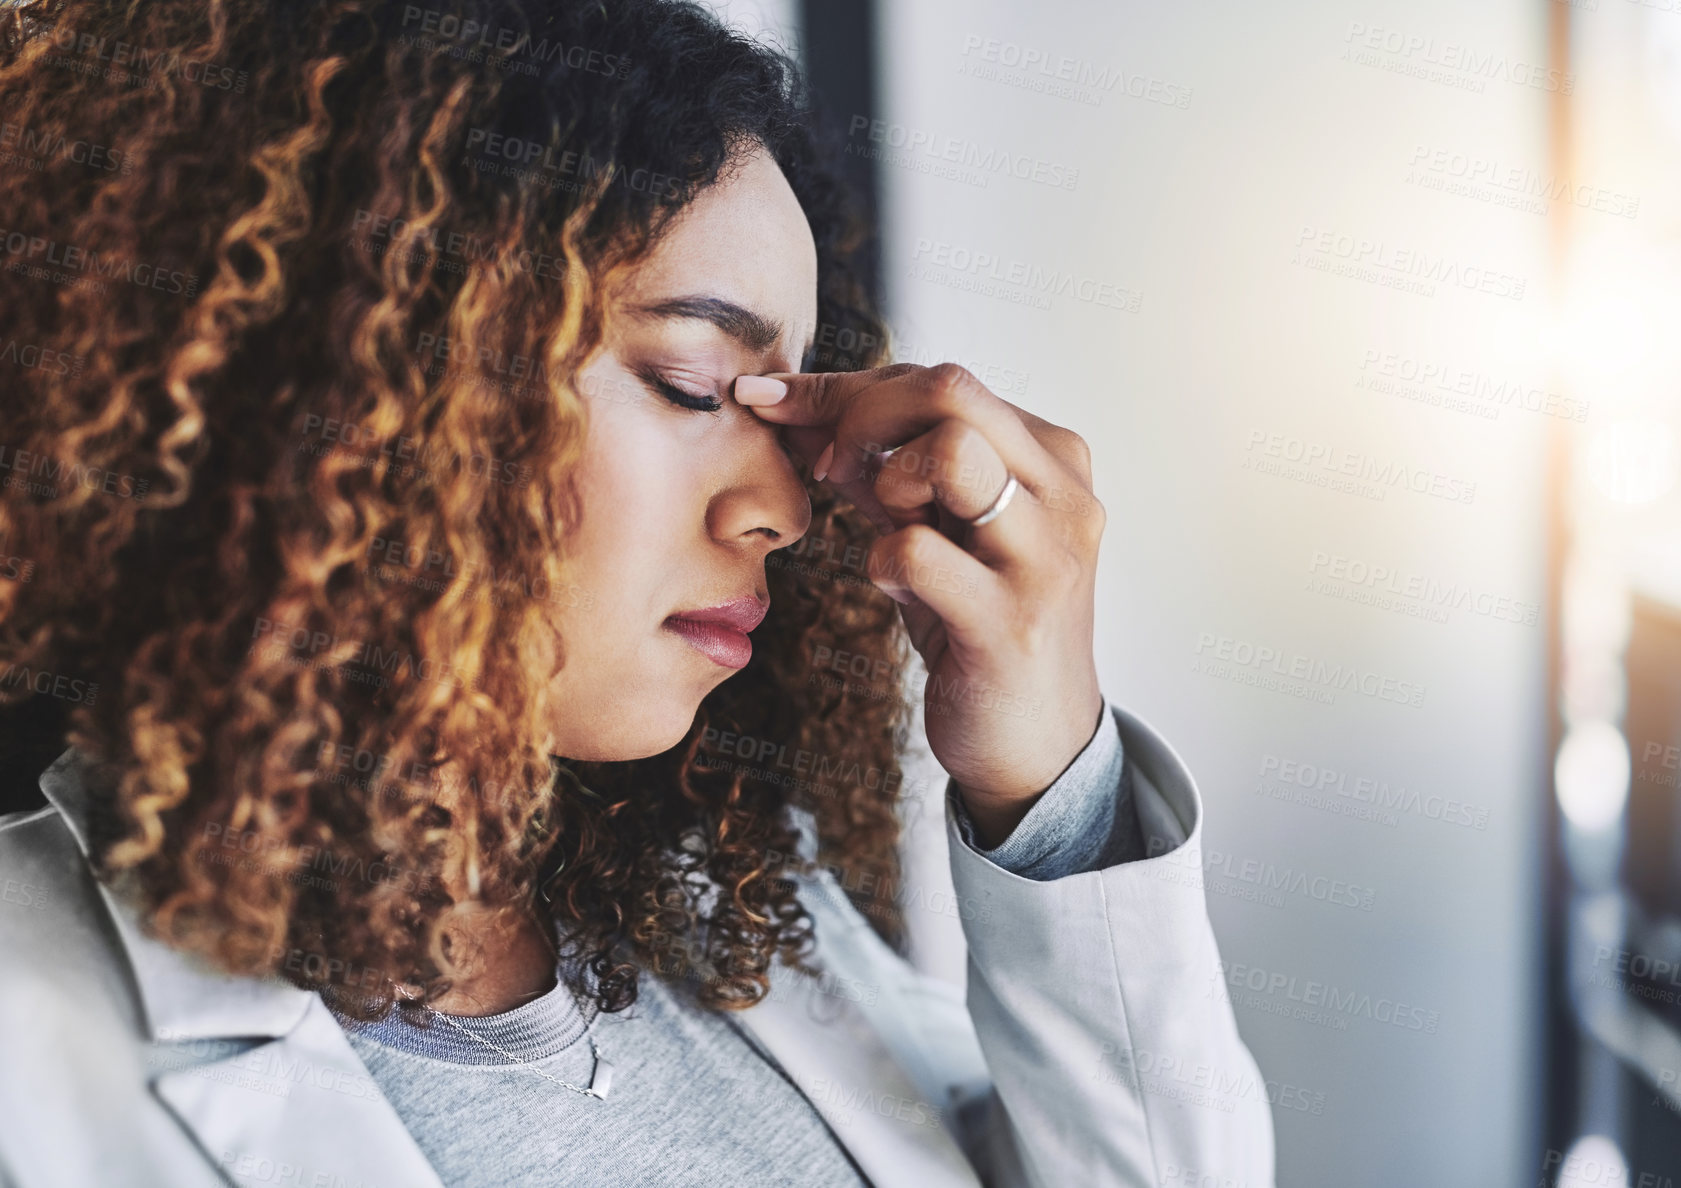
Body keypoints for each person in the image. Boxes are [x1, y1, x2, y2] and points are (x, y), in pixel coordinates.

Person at [0, 0, 1275, 1184]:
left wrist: (1048, 784)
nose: (779, 510)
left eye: (787, 409)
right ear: (363, 393)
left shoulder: (728, 919)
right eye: (687, 384)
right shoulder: (31, 1045)